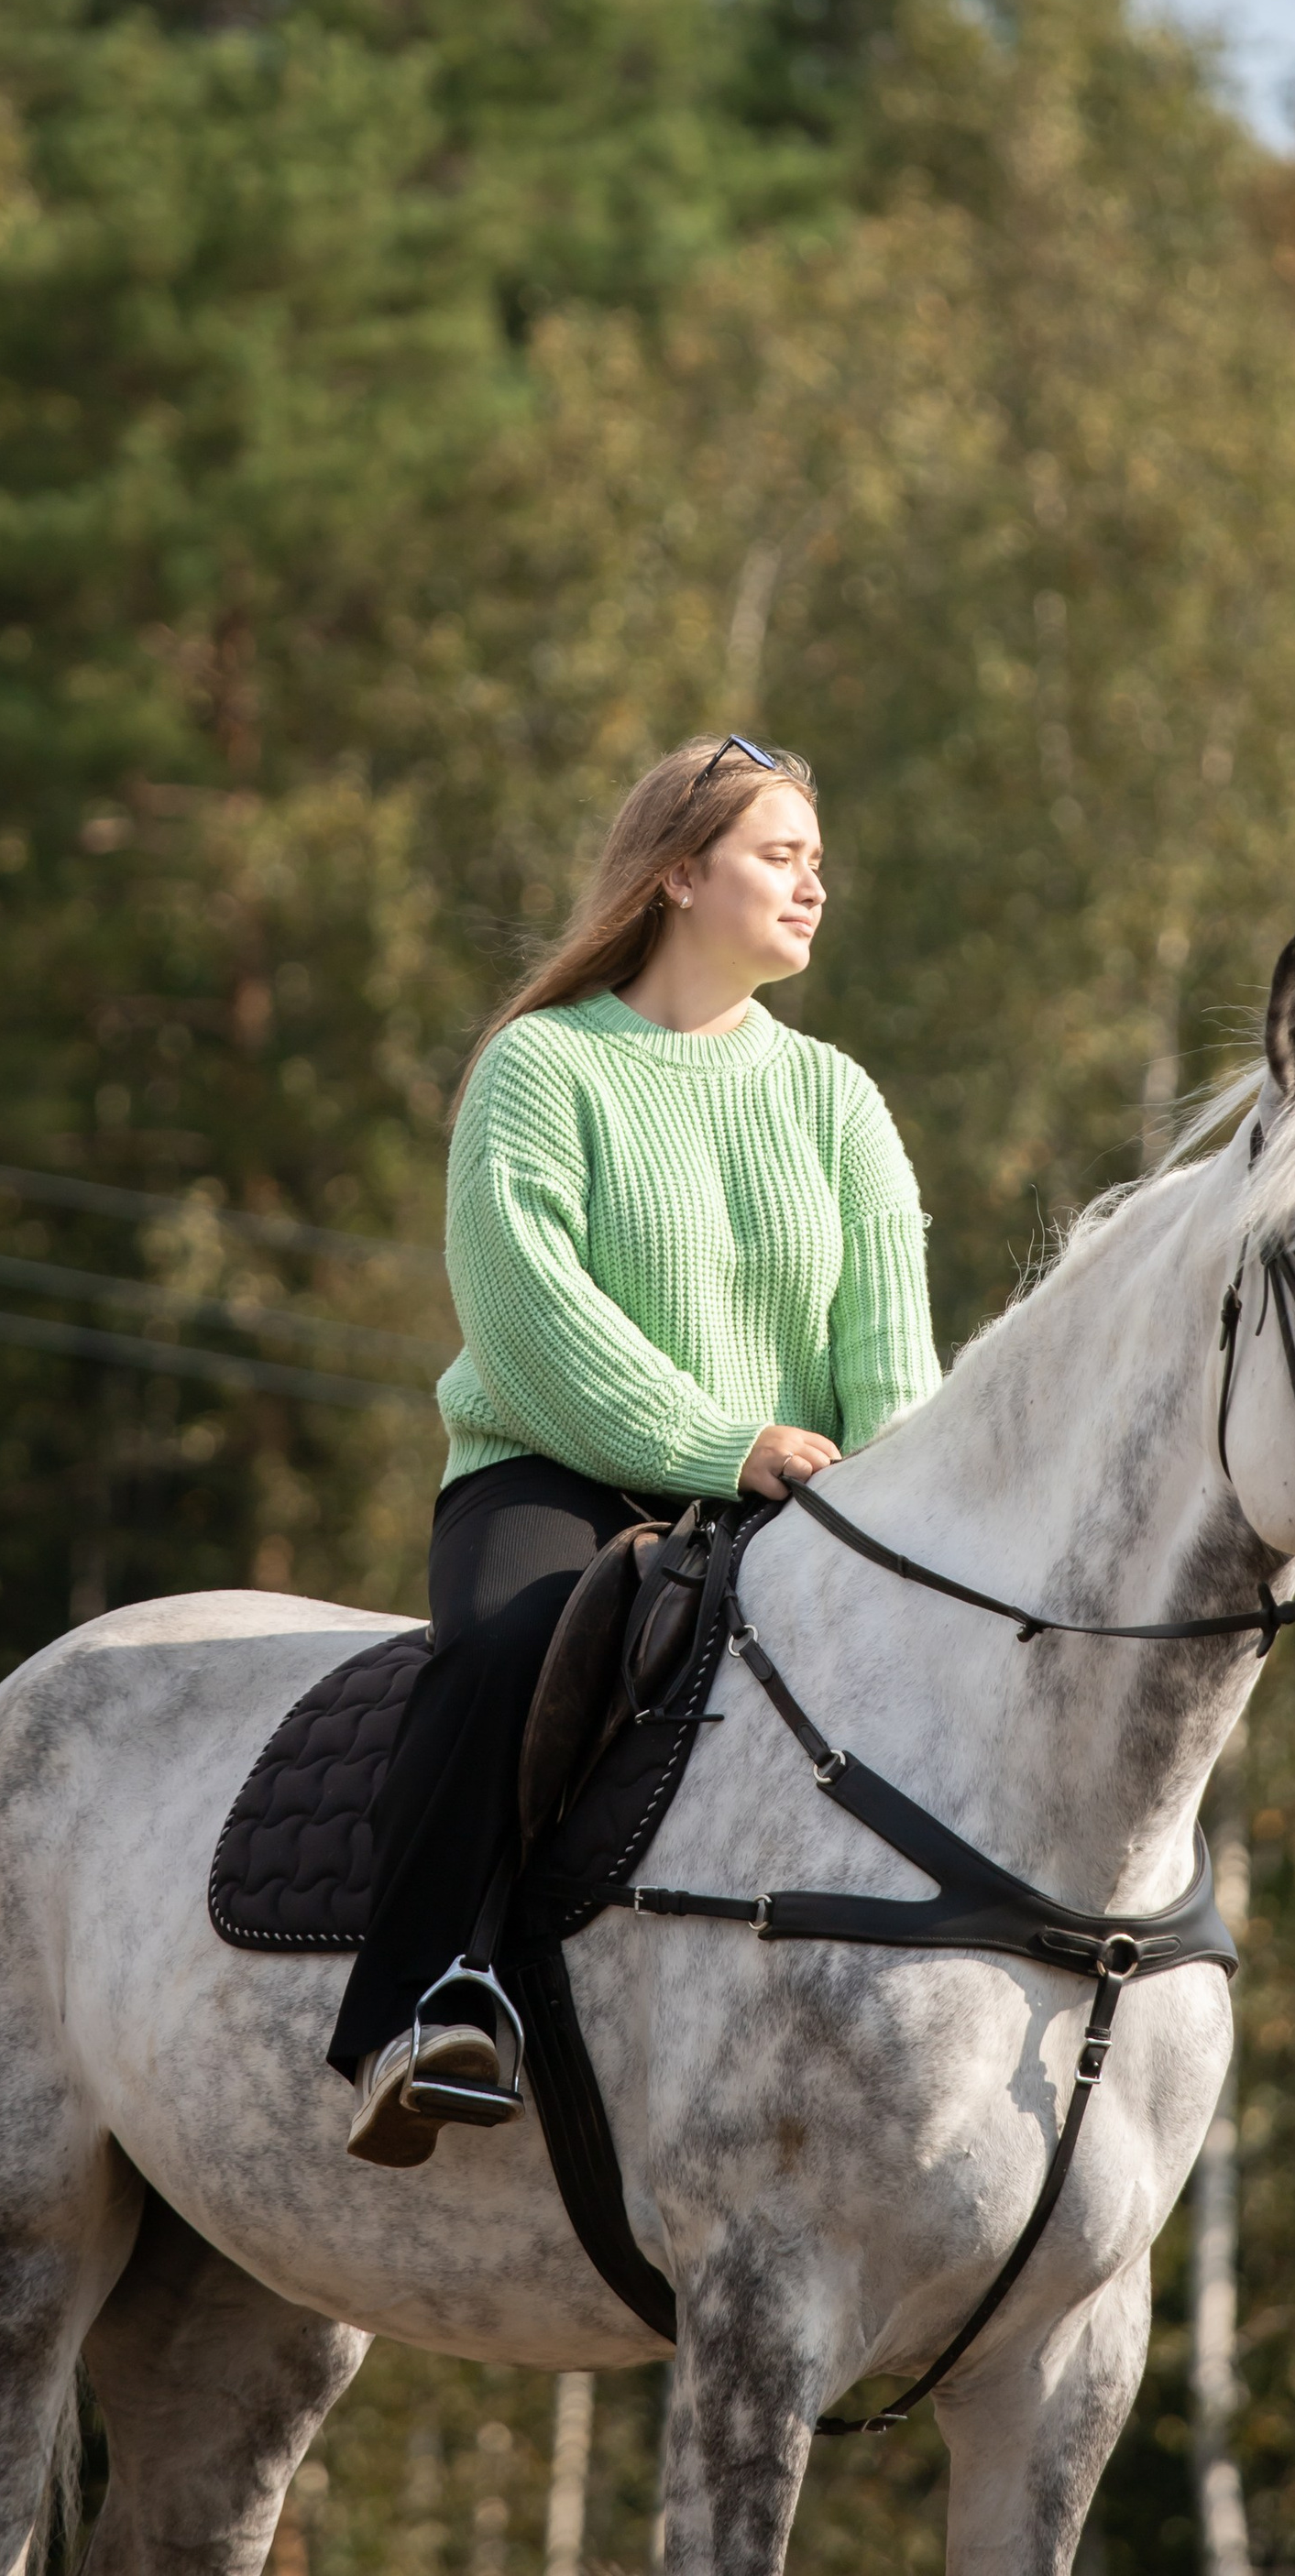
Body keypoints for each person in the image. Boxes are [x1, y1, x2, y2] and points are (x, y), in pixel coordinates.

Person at [332, 733, 940, 2167]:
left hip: (798, 1502)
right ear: (679, 875)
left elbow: (893, 1360)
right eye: (779, 856)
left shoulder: (836, 1100)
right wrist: (724, 1444)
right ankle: (420, 2009)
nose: (814, 887)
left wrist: (905, 1511)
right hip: (556, 1474)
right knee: (509, 1647)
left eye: (816, 861)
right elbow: (531, 1322)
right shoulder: (541, 1069)